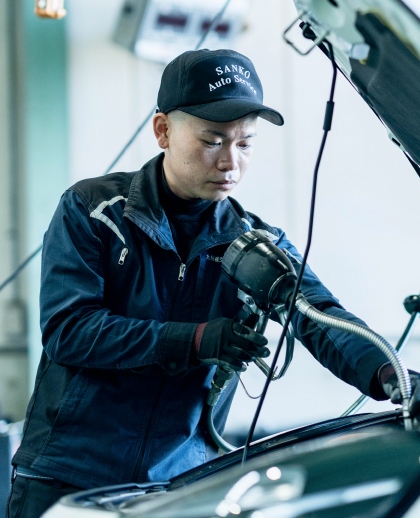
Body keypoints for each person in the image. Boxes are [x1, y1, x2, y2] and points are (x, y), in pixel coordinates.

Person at [7, 48, 420, 518]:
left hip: (178, 489)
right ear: (163, 130)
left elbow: (321, 319)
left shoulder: (256, 244)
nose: (230, 163)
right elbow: (70, 330)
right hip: (67, 479)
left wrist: (392, 375)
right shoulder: (94, 211)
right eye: (213, 141)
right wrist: (195, 340)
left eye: (245, 144)